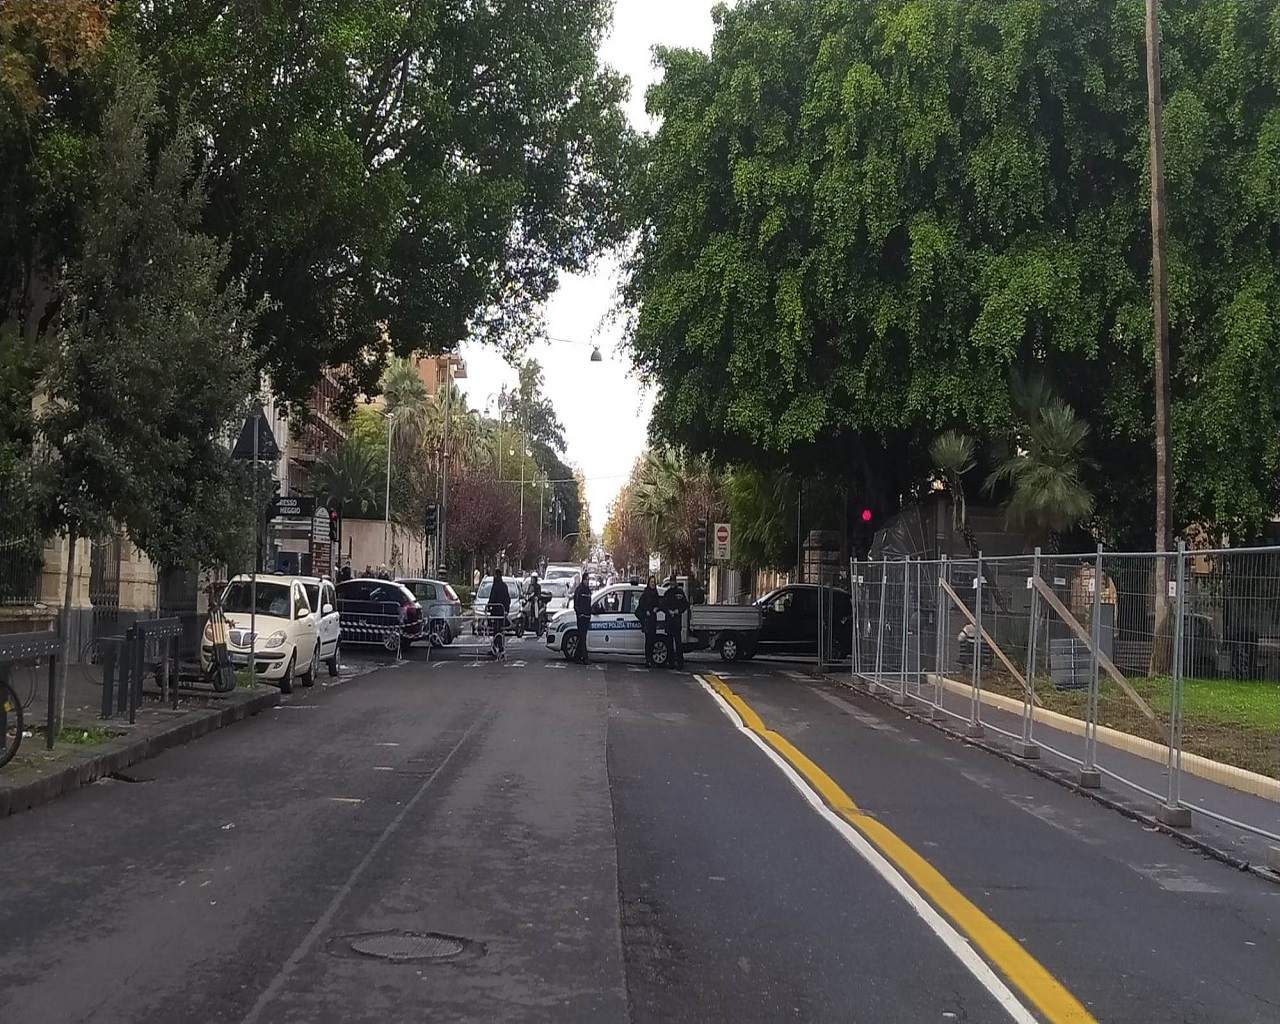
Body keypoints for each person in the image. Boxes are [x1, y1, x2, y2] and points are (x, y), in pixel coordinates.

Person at [661, 578, 690, 669]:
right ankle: (671, 663)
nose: (672, 583)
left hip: (677, 621)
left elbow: (685, 604)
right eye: (671, 582)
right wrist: (668, 611)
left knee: (678, 644)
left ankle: (680, 664)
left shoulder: (680, 593)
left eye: (674, 582)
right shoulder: (667, 593)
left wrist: (678, 611)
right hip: (669, 621)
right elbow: (663, 605)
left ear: (676, 582)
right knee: (669, 643)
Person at [635, 575, 661, 667]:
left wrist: (656, 608)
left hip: (653, 619)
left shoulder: (656, 593)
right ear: (648, 583)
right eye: (651, 582)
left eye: (654, 582)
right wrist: (646, 611)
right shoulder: (646, 593)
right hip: (647, 620)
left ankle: (651, 659)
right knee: (648, 640)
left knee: (653, 640)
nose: (653, 584)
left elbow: (658, 604)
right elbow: (641, 603)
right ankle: (648, 659)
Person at [488, 569, 511, 660]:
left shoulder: (495, 586)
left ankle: (500, 648)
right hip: (501, 611)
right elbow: (507, 598)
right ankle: (495, 647)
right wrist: (506, 609)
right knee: (499, 630)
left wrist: (489, 606)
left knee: (496, 630)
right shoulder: (504, 586)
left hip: (496, 611)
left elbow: (492, 597)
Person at [572, 574, 593, 663]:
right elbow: (576, 604)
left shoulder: (587, 590)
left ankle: (577, 657)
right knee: (582, 638)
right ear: (583, 580)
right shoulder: (579, 590)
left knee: (582, 638)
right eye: (586, 580)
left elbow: (589, 603)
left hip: (586, 617)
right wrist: (580, 614)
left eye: (588, 580)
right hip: (582, 617)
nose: (588, 582)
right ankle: (585, 658)